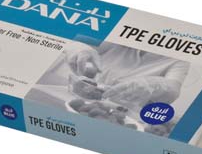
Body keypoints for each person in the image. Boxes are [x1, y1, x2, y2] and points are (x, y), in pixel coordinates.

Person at [39, 40, 190, 111]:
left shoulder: (179, 60)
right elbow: (74, 41)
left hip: (119, 114)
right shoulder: (119, 38)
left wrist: (155, 85)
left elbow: (173, 90)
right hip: (71, 99)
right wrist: (78, 48)